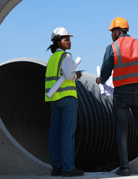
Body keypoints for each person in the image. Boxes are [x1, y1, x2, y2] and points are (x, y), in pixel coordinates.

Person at [96, 17, 138, 176]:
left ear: (118, 31)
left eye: (112, 32)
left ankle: (125, 168)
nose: (111, 35)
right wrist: (136, 79)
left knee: (122, 130)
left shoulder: (112, 47)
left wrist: (101, 80)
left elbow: (106, 70)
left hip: (120, 92)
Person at [45, 27, 84, 177]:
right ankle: (68, 168)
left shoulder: (52, 59)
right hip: (67, 99)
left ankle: (56, 167)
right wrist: (77, 75)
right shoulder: (66, 56)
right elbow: (68, 74)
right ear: (57, 42)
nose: (69, 42)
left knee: (55, 134)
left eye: (69, 39)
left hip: (54, 99)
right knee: (68, 134)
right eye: (66, 39)